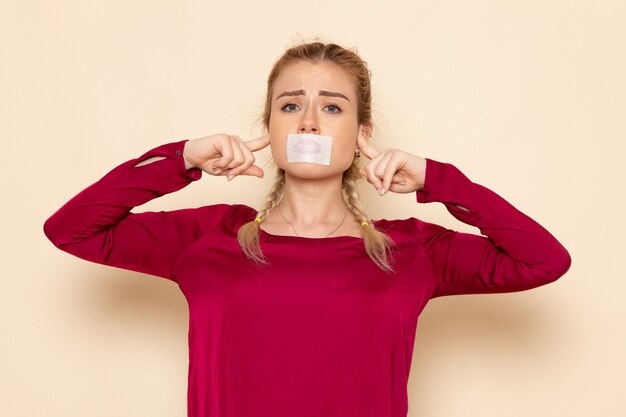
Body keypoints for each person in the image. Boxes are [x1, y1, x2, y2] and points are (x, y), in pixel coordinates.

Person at [43, 41, 572, 417]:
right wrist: (180, 159)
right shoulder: (208, 237)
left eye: (332, 107)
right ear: (269, 130)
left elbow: (543, 261)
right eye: (290, 106)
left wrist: (439, 179)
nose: (309, 122)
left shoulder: (411, 248)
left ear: (362, 134)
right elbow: (71, 229)